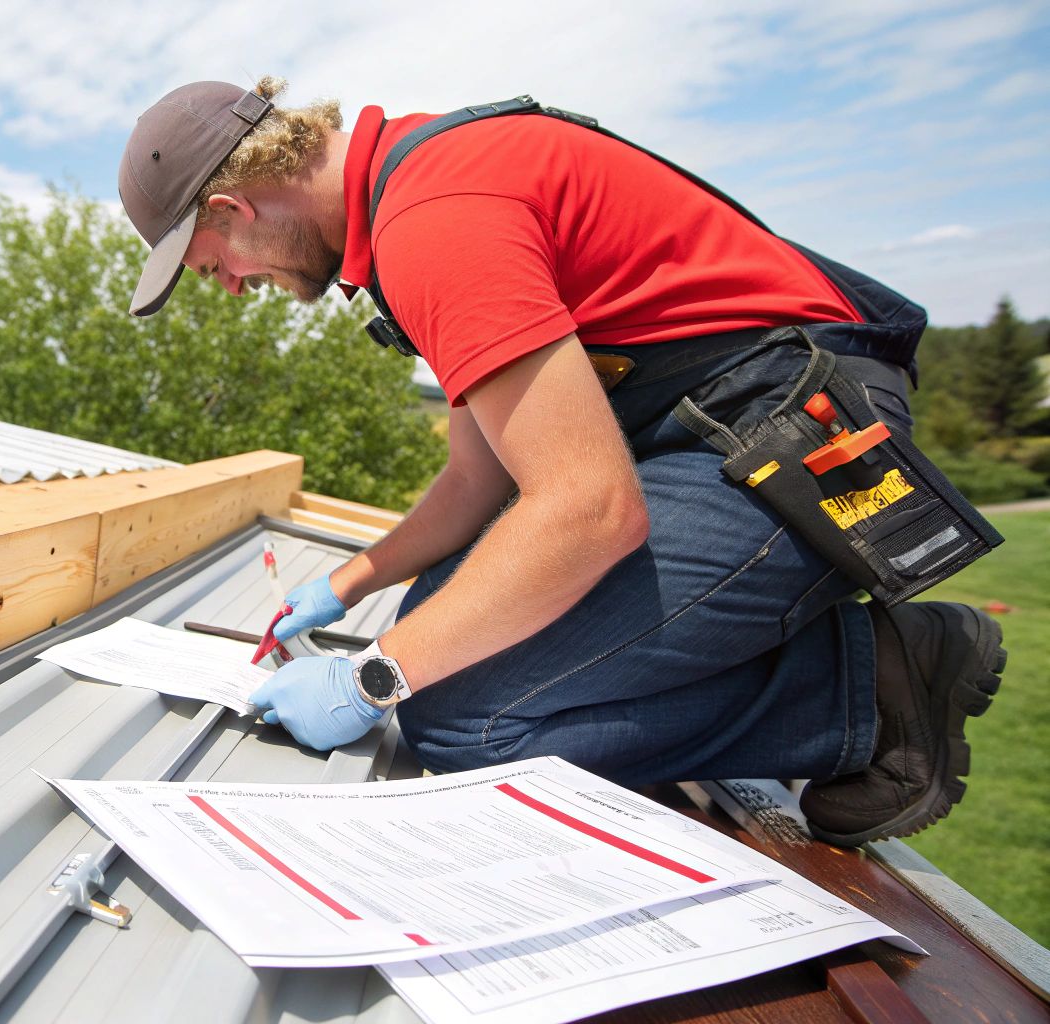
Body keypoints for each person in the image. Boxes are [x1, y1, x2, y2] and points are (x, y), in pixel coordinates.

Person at [115, 76, 1005, 847]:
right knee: (447, 629)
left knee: (459, 716)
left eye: (211, 266)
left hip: (795, 442)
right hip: (709, 431)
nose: (232, 286)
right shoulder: (408, 197)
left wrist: (366, 679)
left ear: (231, 209)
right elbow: (478, 479)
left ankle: (872, 684)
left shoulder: (435, 220)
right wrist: (349, 584)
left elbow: (588, 508)